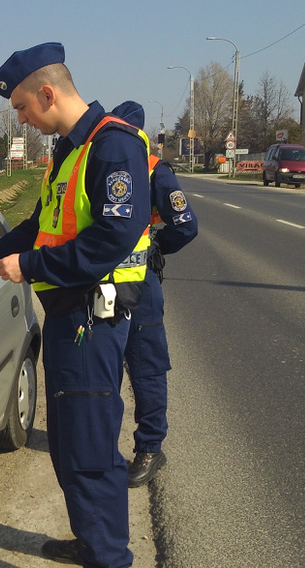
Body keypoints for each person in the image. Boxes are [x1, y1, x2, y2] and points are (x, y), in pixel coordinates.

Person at [0, 42, 151, 568]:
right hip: (68, 319)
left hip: (91, 324)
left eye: (25, 108)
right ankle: (91, 540)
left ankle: (109, 557)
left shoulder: (111, 146)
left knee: (90, 452)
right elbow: (38, 229)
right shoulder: (69, 151)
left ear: (47, 92)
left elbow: (114, 238)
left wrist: (29, 269)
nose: (24, 120)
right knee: (69, 447)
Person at [109, 102, 199, 488]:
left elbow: (185, 224)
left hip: (141, 285)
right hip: (103, 282)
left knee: (145, 367)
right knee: (105, 365)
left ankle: (150, 447)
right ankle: (102, 443)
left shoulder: (154, 170)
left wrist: (155, 248)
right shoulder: (106, 166)